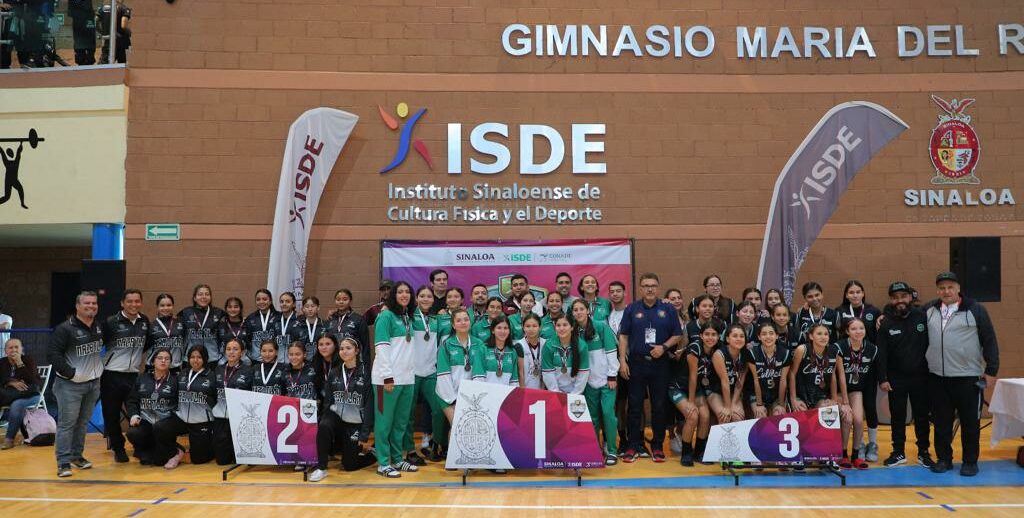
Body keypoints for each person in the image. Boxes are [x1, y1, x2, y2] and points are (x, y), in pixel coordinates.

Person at [925, 272, 999, 476]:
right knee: (941, 423)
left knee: (970, 423)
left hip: (968, 377)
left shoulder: (975, 310)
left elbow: (989, 339)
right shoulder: (929, 309)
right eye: (941, 287)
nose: (946, 291)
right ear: (937, 290)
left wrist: (991, 370)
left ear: (958, 288)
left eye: (950, 287)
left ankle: (969, 461)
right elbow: (905, 319)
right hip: (938, 378)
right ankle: (944, 459)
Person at [617, 273, 683, 463]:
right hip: (636, 363)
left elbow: (677, 335)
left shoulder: (668, 309)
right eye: (646, 285)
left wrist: (663, 347)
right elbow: (624, 336)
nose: (650, 289)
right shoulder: (632, 309)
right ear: (640, 288)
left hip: (660, 364)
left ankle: (657, 446)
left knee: (659, 406)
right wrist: (622, 360)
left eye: (653, 285)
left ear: (658, 287)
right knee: (635, 406)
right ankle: (633, 446)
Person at [876, 281, 933, 468]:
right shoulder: (885, 323)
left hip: (921, 377)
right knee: (897, 417)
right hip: (896, 379)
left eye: (903, 296)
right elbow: (881, 353)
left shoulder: (923, 317)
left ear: (910, 297)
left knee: (922, 416)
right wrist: (882, 378)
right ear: (891, 300)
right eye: (895, 297)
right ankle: (898, 452)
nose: (900, 300)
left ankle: (924, 452)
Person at [48, 291, 104, 478]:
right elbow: (53, 355)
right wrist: (70, 373)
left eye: (94, 303)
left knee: (81, 423)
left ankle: (76, 456)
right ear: (78, 306)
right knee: (67, 424)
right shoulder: (65, 329)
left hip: (92, 384)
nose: (91, 306)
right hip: (69, 386)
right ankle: (63, 462)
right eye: (87, 303)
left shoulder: (98, 327)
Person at [308, 336, 375, 482]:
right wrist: (325, 420)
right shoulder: (334, 372)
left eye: (348, 348)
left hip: (354, 421)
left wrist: (364, 433)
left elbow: (369, 404)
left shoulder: (366, 373)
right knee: (324, 426)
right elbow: (328, 401)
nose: (344, 351)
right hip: (337, 417)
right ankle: (321, 468)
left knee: (349, 465)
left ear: (357, 351)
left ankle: (372, 454)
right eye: (342, 348)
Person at [371, 280, 418, 478]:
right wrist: (387, 376)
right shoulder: (386, 316)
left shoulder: (407, 316)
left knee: (400, 422)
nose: (404, 295)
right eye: (400, 292)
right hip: (386, 381)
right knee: (384, 423)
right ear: (393, 295)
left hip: (407, 379)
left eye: (407, 292)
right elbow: (381, 347)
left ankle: (398, 459)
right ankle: (383, 463)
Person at [100, 289, 150, 463]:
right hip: (111, 374)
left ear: (141, 303)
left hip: (133, 375)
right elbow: (99, 343)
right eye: (129, 301)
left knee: (137, 413)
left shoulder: (144, 322)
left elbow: (146, 344)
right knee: (111, 414)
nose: (133, 304)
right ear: (122, 303)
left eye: (137, 301)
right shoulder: (111, 322)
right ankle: (118, 448)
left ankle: (140, 446)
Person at [572, 299, 619, 466]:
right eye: (575, 310)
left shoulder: (600, 326)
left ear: (587, 311)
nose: (578, 312)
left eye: (581, 309)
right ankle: (594, 451)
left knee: (608, 414)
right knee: (592, 418)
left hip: (606, 380)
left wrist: (612, 375)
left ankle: (612, 451)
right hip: (587, 383)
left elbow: (612, 351)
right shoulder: (573, 331)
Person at [154, 345, 216, 469]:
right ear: (188, 359)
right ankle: (176, 451)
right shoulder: (182, 374)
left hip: (201, 422)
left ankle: (211, 445)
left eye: (199, 357)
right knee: (159, 427)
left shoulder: (211, 376)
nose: (195, 360)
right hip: (182, 419)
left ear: (204, 359)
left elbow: (216, 399)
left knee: (199, 460)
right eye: (192, 357)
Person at [789, 323, 852, 435]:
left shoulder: (833, 352)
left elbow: (832, 376)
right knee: (804, 420)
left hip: (821, 395)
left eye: (826, 334)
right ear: (811, 336)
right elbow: (792, 374)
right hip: (802, 394)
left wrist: (833, 398)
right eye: (819, 334)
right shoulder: (802, 350)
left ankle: (841, 451)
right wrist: (793, 399)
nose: (823, 337)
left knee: (839, 414)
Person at [406, 286, 444, 465]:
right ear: (416, 298)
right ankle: (410, 450)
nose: (426, 299)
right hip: (411, 373)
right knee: (408, 413)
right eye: (422, 296)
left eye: (429, 296)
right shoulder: (408, 317)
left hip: (431, 372)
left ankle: (436, 444)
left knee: (439, 409)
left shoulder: (437, 320)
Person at [837, 318, 877, 469]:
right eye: (853, 329)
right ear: (847, 331)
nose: (858, 331)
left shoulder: (872, 349)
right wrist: (845, 402)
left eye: (861, 328)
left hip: (856, 390)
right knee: (847, 418)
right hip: (841, 391)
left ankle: (856, 455)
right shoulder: (839, 347)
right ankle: (843, 454)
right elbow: (840, 376)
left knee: (859, 420)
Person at [125, 348, 177, 465]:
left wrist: (173, 419)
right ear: (153, 361)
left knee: (159, 462)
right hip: (145, 421)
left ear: (170, 363)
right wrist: (134, 415)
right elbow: (132, 400)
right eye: (160, 358)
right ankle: (144, 451)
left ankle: (172, 450)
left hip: (164, 423)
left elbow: (179, 404)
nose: (163, 361)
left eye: (167, 359)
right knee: (133, 433)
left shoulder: (175, 381)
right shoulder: (142, 378)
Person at [436, 308, 480, 428]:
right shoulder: (446, 345)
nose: (463, 322)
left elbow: (480, 374)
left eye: (466, 319)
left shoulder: (479, 344)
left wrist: (473, 396)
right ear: (453, 325)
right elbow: (443, 375)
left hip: (471, 396)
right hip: (449, 395)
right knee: (457, 425)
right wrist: (453, 399)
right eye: (459, 320)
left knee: (470, 428)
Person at [684, 321, 719, 464]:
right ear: (701, 335)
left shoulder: (716, 350)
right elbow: (692, 376)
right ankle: (686, 453)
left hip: (697, 388)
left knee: (705, 416)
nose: (710, 337)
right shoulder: (695, 348)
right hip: (680, 387)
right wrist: (691, 402)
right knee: (693, 415)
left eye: (714, 334)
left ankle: (699, 452)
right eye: (707, 334)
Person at [211, 338, 251, 466]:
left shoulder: (248, 371)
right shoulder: (218, 369)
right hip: (220, 418)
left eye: (235, 349)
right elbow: (211, 392)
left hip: (239, 418)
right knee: (222, 461)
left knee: (239, 460)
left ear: (242, 352)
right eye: (228, 349)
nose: (231, 352)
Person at [1, 338, 41, 450]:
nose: (13, 350)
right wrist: (11, 382)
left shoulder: (28, 360)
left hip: (30, 395)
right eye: (10, 347)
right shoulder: (2, 362)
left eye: (16, 347)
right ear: (5, 351)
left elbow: (33, 381)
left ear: (21, 349)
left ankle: (9, 440)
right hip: (9, 395)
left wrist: (19, 363)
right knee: (14, 402)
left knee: (17, 405)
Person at [707, 324, 750, 425]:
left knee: (738, 417)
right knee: (724, 417)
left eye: (741, 336)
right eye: (735, 336)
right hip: (715, 391)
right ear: (727, 339)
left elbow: (740, 382)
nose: (739, 339)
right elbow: (724, 381)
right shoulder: (719, 354)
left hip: (732, 392)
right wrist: (727, 406)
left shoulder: (746, 354)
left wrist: (734, 403)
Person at [747, 322, 791, 419]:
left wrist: (780, 403)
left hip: (776, 394)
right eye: (764, 334)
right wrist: (759, 404)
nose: (768, 337)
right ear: (759, 337)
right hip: (757, 393)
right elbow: (756, 379)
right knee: (760, 416)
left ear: (776, 336)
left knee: (779, 415)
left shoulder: (785, 353)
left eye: (771, 333)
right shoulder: (752, 353)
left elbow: (783, 380)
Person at [178, 284, 225, 369]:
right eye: (200, 294)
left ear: (210, 297)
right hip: (191, 358)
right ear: (194, 298)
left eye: (207, 294)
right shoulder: (185, 313)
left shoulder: (219, 313)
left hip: (212, 358)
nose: (204, 297)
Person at [541, 314, 589, 395]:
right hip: (554, 392)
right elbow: (548, 373)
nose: (561, 328)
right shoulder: (548, 345)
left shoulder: (581, 345)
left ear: (572, 327)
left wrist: (574, 395)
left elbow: (583, 374)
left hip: (576, 392)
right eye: (558, 325)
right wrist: (557, 393)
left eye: (565, 325)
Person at [471, 315, 520, 387]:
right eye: (499, 328)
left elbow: (514, 381)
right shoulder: (483, 349)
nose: (502, 331)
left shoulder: (512, 352)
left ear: (509, 331)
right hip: (486, 395)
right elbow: (478, 378)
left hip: (506, 396)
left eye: (506, 328)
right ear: (493, 330)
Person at [327, 288, 369, 362]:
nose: (341, 302)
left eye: (345, 299)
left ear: (350, 301)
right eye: (338, 299)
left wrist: (365, 367)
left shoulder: (359, 319)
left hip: (353, 362)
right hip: (334, 362)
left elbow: (365, 346)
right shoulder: (331, 319)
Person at [147, 294, 185, 371]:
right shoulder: (151, 326)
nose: (165, 308)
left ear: (173, 306)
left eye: (169, 305)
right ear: (157, 307)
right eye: (162, 305)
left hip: (175, 368)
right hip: (155, 368)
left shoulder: (181, 323)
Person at [243, 289, 278, 365]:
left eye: (264, 299)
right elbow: (247, 339)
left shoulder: (278, 317)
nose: (261, 302)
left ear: (270, 301)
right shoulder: (250, 318)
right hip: (256, 360)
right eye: (258, 299)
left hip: (275, 360)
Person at [290, 296, 326, 362]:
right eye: (307, 306)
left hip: (321, 362)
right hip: (301, 362)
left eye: (313, 306)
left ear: (318, 307)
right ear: (303, 309)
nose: (310, 309)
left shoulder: (325, 325)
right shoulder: (297, 326)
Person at [515, 314, 546, 390]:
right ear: (523, 327)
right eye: (528, 326)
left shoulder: (545, 344)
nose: (531, 329)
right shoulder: (519, 345)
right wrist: (522, 391)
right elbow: (520, 373)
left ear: (540, 327)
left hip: (542, 390)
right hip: (525, 389)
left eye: (534, 326)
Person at [217, 297, 248, 366]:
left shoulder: (247, 323)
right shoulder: (220, 324)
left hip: (243, 358)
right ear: (226, 309)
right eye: (230, 307)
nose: (233, 309)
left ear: (240, 309)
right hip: (225, 358)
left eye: (236, 307)